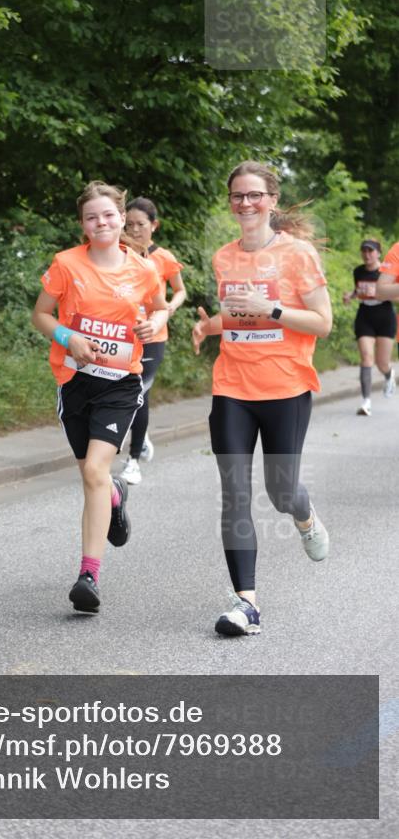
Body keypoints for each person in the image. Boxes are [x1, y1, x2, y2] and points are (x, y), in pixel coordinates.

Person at [192, 160, 332, 636]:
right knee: (234, 493)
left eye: (255, 195)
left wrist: (271, 308)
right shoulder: (223, 257)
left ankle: (305, 515)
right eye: (237, 196)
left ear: (272, 199)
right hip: (232, 385)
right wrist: (209, 324)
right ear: (230, 203)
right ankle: (245, 604)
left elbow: (322, 322)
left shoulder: (298, 254)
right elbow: (237, 318)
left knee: (280, 492)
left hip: (286, 387)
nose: (246, 203)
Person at [32, 181, 169, 613]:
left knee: (93, 469)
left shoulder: (144, 269)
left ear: (121, 217)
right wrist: (67, 337)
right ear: (83, 225)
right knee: (91, 476)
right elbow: (40, 314)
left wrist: (152, 325)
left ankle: (88, 574)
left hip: (119, 385)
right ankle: (114, 494)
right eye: (92, 217)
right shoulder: (66, 264)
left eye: (108, 215)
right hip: (74, 382)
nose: (102, 223)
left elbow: (161, 305)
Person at [118, 198, 187, 484]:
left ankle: (133, 460)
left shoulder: (164, 258)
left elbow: (180, 290)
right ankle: (141, 436)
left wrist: (168, 308)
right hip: (122, 336)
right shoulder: (117, 254)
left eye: (141, 225)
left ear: (154, 226)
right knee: (126, 393)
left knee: (138, 392)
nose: (135, 230)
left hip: (154, 336)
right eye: (129, 224)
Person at [343, 239, 397, 415]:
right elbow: (358, 289)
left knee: (382, 363)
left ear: (378, 253)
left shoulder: (388, 273)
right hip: (365, 316)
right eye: (364, 251)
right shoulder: (358, 271)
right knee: (366, 357)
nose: (367, 254)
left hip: (385, 316)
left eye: (370, 251)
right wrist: (350, 296)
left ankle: (389, 375)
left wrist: (383, 295)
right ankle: (366, 402)